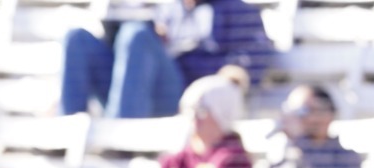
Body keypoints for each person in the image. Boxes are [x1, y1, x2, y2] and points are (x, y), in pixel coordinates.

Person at [61, 0, 273, 119]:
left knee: (137, 35)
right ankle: (66, 130)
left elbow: (255, 59)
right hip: (132, 87)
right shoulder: (161, 7)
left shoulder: (237, 9)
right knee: (76, 38)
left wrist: (217, 82)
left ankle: (122, 134)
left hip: (183, 97)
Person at [141, 69, 260, 168]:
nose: (194, 116)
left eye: (202, 110)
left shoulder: (233, 160)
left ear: (223, 114)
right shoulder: (175, 159)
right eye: (190, 109)